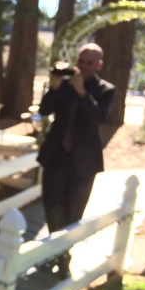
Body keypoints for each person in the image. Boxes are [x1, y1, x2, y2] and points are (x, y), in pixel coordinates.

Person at [37, 43, 115, 277]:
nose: (83, 66)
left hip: (83, 163)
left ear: (98, 65)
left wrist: (82, 92)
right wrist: (54, 88)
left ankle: (63, 257)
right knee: (52, 207)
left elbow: (98, 118)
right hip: (56, 157)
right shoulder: (64, 84)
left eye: (89, 63)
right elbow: (44, 110)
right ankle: (54, 253)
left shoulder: (106, 89)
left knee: (73, 212)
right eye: (81, 61)